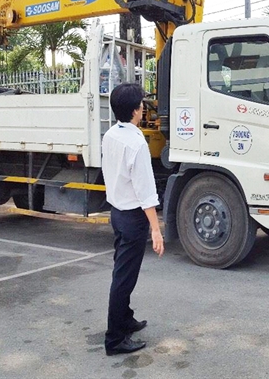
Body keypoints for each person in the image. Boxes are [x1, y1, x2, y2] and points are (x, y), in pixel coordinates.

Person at [101, 83, 165, 356]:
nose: (143, 108)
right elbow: (145, 191)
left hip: (117, 212)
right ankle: (115, 339)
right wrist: (156, 229)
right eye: (141, 104)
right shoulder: (137, 142)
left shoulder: (111, 134)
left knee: (122, 273)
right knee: (124, 278)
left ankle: (125, 318)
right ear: (135, 110)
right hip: (132, 216)